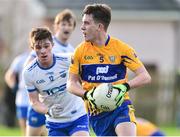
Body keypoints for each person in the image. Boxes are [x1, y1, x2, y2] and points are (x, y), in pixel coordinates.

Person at [67, 3, 151, 136]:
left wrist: (124, 87)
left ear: (99, 27)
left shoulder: (122, 49)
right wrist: (87, 95)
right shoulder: (80, 52)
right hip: (97, 113)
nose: (82, 27)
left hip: (121, 105)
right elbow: (71, 83)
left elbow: (145, 76)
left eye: (87, 23)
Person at [23, 27, 89, 136]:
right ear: (32, 48)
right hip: (55, 122)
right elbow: (34, 102)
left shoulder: (68, 60)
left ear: (52, 45)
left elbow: (86, 75)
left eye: (46, 46)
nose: (43, 51)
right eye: (38, 47)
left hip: (78, 116)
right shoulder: (29, 72)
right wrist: (48, 111)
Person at [25, 9, 76, 136]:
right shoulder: (44, 41)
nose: (67, 27)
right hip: (43, 99)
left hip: (62, 104)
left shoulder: (71, 51)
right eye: (63, 24)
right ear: (56, 25)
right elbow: (29, 67)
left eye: (70, 24)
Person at [4, 51, 30, 135]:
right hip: (23, 100)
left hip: (39, 100)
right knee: (25, 131)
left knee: (41, 132)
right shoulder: (21, 59)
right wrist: (13, 86)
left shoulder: (44, 57)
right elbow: (9, 75)